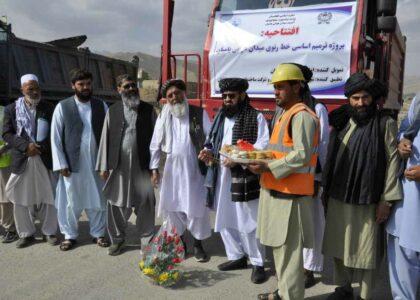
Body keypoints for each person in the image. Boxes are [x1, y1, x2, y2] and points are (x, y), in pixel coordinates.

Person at [322, 73, 402, 300]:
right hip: (339, 195)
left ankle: (365, 295)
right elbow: (331, 157)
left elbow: (393, 163)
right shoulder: (341, 121)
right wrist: (325, 190)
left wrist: (386, 200)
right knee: (339, 245)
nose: (360, 103)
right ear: (348, 99)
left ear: (373, 98)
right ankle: (344, 287)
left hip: (369, 198)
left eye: (365, 97)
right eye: (355, 98)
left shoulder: (385, 124)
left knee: (366, 251)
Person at [248, 64, 319, 300]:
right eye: (275, 88)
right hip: (277, 194)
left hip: (291, 200)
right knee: (281, 258)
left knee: (289, 261)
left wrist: (267, 166)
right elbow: (279, 152)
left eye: (281, 87)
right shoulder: (285, 114)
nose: (276, 92)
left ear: (297, 87)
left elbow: (302, 155)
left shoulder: (302, 116)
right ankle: (283, 294)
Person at [199, 78, 269, 283]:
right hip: (221, 175)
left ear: (242, 96)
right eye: (225, 96)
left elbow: (262, 146)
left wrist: (238, 159)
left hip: (244, 176)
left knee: (248, 220)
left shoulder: (255, 117)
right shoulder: (220, 117)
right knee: (225, 217)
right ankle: (236, 256)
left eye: (232, 96)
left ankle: (258, 263)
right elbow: (212, 141)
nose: (228, 99)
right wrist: (207, 151)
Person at [150, 79, 212, 262]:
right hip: (171, 171)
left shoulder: (197, 113)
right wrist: (154, 168)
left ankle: (198, 245)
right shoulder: (164, 115)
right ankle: (181, 243)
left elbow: (209, 137)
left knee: (196, 206)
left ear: (184, 93)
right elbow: (155, 143)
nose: (174, 97)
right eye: (169, 96)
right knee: (174, 208)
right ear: (166, 99)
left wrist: (208, 150)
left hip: (194, 169)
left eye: (177, 93)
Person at [96, 74, 156, 256]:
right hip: (119, 167)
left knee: (146, 202)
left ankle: (147, 240)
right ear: (119, 89)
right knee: (115, 202)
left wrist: (155, 168)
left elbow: (156, 140)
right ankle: (117, 239)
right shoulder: (112, 111)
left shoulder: (149, 110)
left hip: (142, 166)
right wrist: (103, 165)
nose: (131, 89)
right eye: (127, 86)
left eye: (133, 86)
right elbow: (105, 137)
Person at [51, 69, 109, 251]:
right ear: (73, 86)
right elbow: (55, 137)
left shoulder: (101, 105)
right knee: (70, 200)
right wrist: (61, 163)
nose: (85, 87)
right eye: (81, 84)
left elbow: (108, 137)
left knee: (97, 198)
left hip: (96, 163)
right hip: (72, 164)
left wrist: (106, 163)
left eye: (88, 84)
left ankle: (98, 233)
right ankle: (69, 235)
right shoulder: (63, 106)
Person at [3, 74, 57, 248]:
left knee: (48, 195)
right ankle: (26, 234)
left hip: (43, 157)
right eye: (30, 89)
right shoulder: (11, 109)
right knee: (20, 196)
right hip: (23, 158)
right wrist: (26, 146)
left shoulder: (48, 107)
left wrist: (41, 147)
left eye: (36, 88)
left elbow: (55, 133)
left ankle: (49, 232)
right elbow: (7, 134)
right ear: (22, 90)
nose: (34, 92)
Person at [387, 95, 420, 300]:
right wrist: (402, 142)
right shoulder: (418, 101)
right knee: (402, 249)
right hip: (409, 193)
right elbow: (404, 131)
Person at [0, 104, 17, 243]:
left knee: (5, 198)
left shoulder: (4, 111)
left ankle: (9, 229)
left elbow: (13, 134)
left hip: (3, 160)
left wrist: (4, 148)